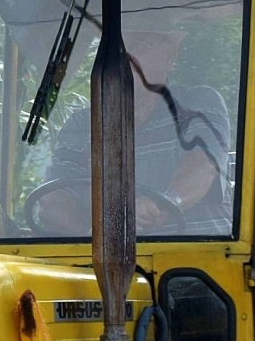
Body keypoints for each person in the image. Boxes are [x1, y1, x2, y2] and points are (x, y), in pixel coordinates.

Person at [34, 29, 231, 237]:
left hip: (200, 254)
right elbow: (53, 200)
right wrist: (99, 239)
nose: (122, 58)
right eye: (113, 49)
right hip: (106, 257)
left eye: (138, 45)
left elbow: (203, 166)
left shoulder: (197, 104)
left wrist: (165, 203)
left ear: (169, 57)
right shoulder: (82, 125)